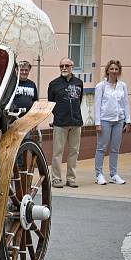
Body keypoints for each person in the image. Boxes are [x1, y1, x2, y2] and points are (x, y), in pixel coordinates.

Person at [93, 59, 131, 185]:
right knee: (101, 148)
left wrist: (128, 120)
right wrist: (97, 123)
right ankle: (99, 174)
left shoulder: (123, 86)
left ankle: (113, 174)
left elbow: (125, 103)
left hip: (118, 121)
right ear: (107, 71)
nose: (114, 71)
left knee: (115, 149)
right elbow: (97, 105)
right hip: (105, 120)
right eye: (112, 69)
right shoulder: (101, 86)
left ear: (119, 71)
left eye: (116, 69)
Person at [47, 58, 83, 188]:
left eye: (67, 65)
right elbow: (51, 103)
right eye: (61, 65)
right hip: (60, 122)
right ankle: (56, 178)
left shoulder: (79, 83)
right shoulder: (54, 84)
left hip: (76, 122)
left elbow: (79, 100)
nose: (64, 67)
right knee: (58, 152)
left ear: (72, 67)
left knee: (74, 151)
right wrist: (58, 114)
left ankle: (71, 178)